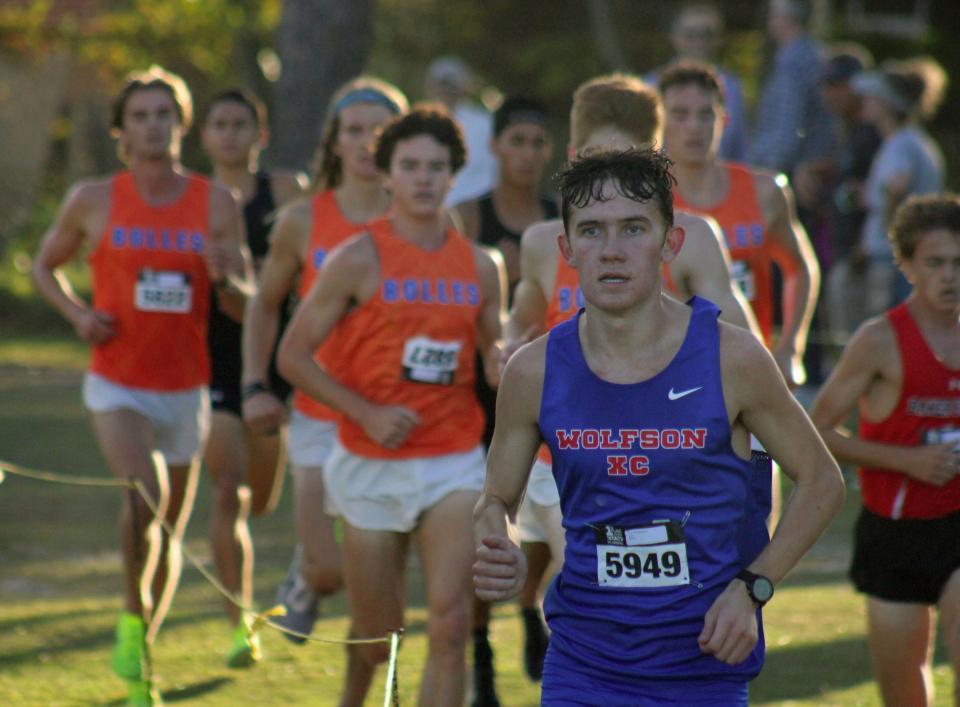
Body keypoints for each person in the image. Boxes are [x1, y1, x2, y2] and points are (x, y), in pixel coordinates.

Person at [474, 147, 845, 705]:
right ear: (567, 248)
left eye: (633, 229)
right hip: (583, 662)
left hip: (704, 663)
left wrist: (754, 587)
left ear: (671, 243)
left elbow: (822, 480)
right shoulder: (534, 369)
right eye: (593, 232)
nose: (613, 252)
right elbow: (496, 496)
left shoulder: (731, 358)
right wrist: (495, 537)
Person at [503, 71, 761, 691]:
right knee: (580, 593)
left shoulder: (690, 236)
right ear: (572, 159)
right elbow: (519, 318)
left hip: (661, 456)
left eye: (633, 165)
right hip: (561, 450)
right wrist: (508, 346)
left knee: (611, 601)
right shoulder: (543, 241)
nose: (612, 190)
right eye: (598, 163)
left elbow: (740, 337)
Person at [31, 66, 252, 705]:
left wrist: (230, 281)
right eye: (142, 115)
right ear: (122, 129)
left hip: (186, 388)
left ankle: (139, 653)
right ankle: (132, 616)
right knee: (142, 500)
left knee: (165, 533)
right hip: (116, 383)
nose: (154, 125)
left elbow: (243, 306)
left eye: (165, 114)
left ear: (181, 126)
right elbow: (44, 266)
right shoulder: (93, 198)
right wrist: (78, 315)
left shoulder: (215, 203)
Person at [278, 105, 504, 707]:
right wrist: (366, 412)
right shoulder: (355, 258)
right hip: (371, 461)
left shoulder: (482, 267)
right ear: (387, 175)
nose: (424, 178)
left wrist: (503, 357)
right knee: (380, 639)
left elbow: (491, 353)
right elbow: (293, 357)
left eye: (436, 166)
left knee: (451, 625)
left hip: (452, 460)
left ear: (455, 174)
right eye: (410, 166)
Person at [241, 77, 408, 643]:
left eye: (379, 131)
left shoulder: (424, 220)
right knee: (327, 568)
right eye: (353, 130)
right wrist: (253, 384)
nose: (366, 142)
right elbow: (264, 307)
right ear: (333, 142)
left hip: (394, 416)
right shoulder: (303, 220)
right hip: (318, 412)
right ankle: (304, 578)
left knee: (381, 587)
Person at [809, 194, 960, 707]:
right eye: (935, 263)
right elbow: (817, 430)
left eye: (959, 263)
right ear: (908, 264)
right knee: (904, 695)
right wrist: (909, 461)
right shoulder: (879, 340)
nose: (949, 276)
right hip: (894, 531)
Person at [454, 94, 557, 706]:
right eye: (515, 140)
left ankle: (528, 614)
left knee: (542, 537)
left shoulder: (557, 220)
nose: (526, 153)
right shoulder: (469, 216)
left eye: (536, 142)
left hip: (547, 390)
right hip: (480, 391)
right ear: (494, 147)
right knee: (487, 531)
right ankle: (481, 653)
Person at [199, 88, 307, 667]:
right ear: (205, 136)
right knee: (227, 491)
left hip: (276, 356)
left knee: (262, 501)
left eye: (242, 124)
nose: (231, 134)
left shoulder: (286, 192)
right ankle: (240, 622)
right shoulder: (194, 200)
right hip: (215, 356)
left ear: (259, 135)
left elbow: (315, 258)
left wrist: (272, 278)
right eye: (220, 123)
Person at [660, 61, 819, 386]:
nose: (694, 127)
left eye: (706, 115)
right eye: (680, 114)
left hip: (749, 368)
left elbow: (800, 267)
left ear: (724, 121)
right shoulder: (646, 202)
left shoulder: (765, 191)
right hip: (671, 374)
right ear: (659, 122)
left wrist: (791, 346)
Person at [852, 58, 946, 319]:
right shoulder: (915, 142)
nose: (866, 102)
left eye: (873, 97)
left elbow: (895, 186)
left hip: (889, 260)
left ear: (887, 103)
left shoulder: (901, 144)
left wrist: (885, 235)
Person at [818, 47, 882, 340]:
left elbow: (875, 196)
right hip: (846, 255)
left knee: (855, 344)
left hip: (863, 261)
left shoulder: (873, 133)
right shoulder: (848, 131)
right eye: (827, 85)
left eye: (837, 85)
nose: (830, 93)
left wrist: (861, 244)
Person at [644, 1, 749, 161]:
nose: (699, 42)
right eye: (691, 34)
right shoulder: (650, 85)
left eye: (707, 34)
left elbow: (740, 148)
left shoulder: (732, 87)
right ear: (675, 37)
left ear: (718, 38)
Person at [750, 0, 836, 179]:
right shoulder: (813, 54)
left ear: (787, 18)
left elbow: (787, 124)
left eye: (774, 14)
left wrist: (769, 171)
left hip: (789, 172)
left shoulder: (793, 62)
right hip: (808, 165)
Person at [425, 56, 498, 207]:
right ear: (429, 87)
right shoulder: (416, 124)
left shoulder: (485, 124)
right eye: (441, 84)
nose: (446, 91)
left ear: (465, 87)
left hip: (477, 213)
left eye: (452, 85)